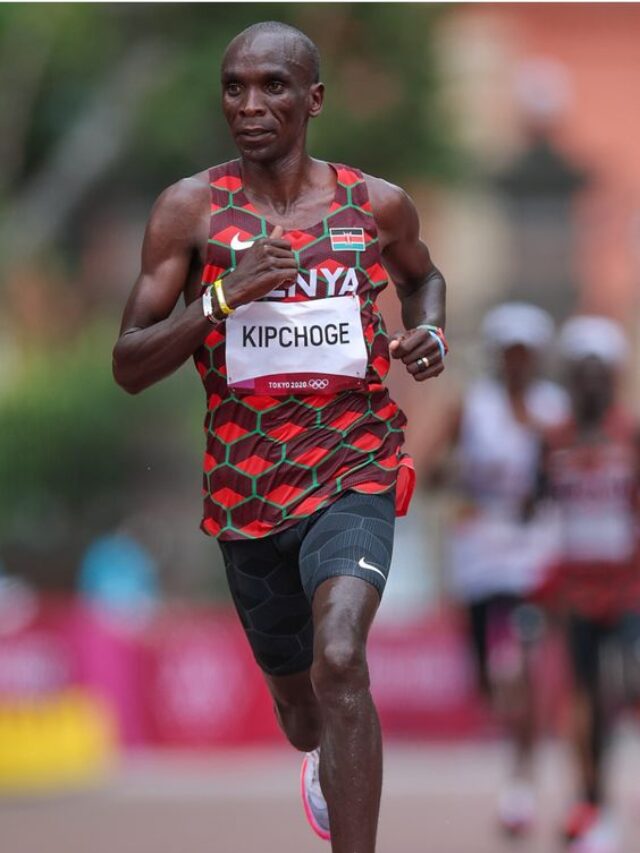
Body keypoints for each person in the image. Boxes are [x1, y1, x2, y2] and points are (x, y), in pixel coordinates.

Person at [112, 21, 447, 853]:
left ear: (314, 99)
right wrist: (224, 298)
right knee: (303, 714)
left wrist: (431, 331)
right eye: (235, 87)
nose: (251, 104)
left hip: (355, 465)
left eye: (273, 86)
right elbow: (128, 361)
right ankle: (320, 751)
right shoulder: (189, 210)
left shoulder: (373, 203)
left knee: (342, 656)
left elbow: (424, 277)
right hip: (246, 490)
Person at [435, 302, 568, 834]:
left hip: (532, 551)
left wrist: (544, 445)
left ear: (536, 358)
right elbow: (433, 469)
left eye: (525, 354)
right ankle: (508, 719)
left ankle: (521, 784)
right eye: (508, 354)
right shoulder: (471, 408)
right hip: (479, 555)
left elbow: (572, 470)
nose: (516, 364)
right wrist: (462, 476)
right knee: (490, 681)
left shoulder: (554, 410)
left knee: (523, 664)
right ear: (497, 357)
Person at [533, 316, 640, 853]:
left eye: (601, 374)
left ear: (614, 377)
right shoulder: (554, 440)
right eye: (582, 374)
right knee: (589, 698)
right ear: (571, 379)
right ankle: (592, 801)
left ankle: (597, 797)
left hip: (627, 587)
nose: (592, 384)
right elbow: (533, 507)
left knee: (623, 685)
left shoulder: (631, 434)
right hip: (574, 590)